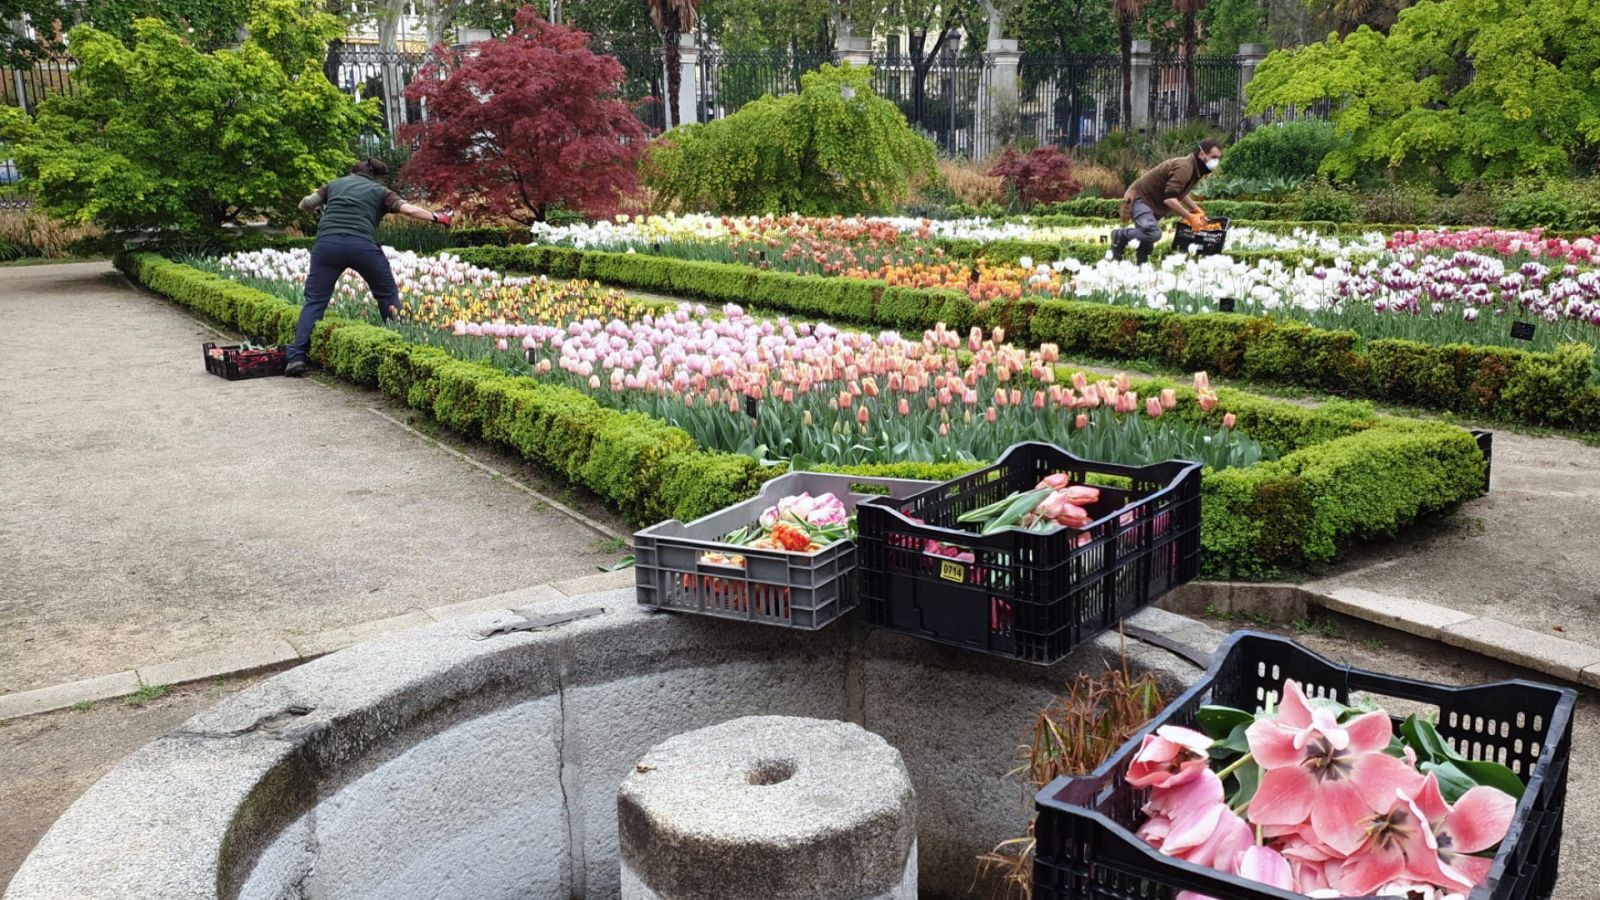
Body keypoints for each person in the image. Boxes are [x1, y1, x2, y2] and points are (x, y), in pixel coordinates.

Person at [285, 157, 452, 377]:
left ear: (352, 173)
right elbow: (409, 210)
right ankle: (402, 350)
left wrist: (320, 206)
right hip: (362, 246)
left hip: (327, 246)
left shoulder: (333, 185)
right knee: (387, 295)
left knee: (315, 301)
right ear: (373, 176)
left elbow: (305, 203)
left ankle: (296, 357)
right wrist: (438, 217)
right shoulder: (381, 191)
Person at [1110, 139, 1223, 266]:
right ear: (1202, 154)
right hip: (1140, 199)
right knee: (1153, 233)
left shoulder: (1195, 168)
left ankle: (1140, 270)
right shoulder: (1185, 167)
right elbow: (1170, 199)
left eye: (1219, 158)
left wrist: (1196, 209)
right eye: (1214, 157)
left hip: (1151, 203)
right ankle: (1120, 235)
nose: (1216, 161)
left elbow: (1180, 192)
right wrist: (1190, 217)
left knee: (1146, 246)